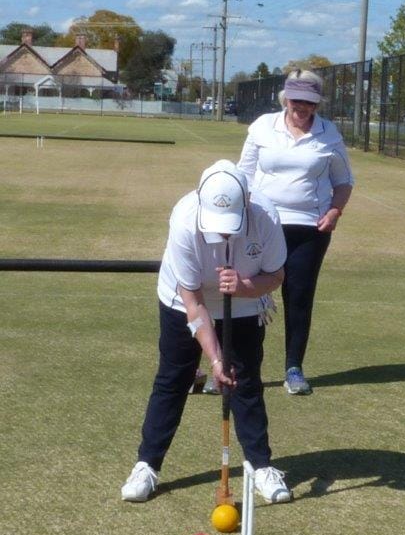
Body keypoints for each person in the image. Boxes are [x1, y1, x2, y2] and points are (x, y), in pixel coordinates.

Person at [121, 160, 291, 504]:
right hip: (184, 298)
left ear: (246, 203)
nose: (224, 234)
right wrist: (215, 359)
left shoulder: (266, 217)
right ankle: (147, 465)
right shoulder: (184, 221)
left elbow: (275, 276)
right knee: (173, 378)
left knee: (246, 381)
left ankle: (261, 466)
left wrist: (244, 287)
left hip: (244, 298)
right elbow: (194, 303)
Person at [237, 69, 354, 395]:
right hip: (261, 224)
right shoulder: (263, 126)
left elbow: (344, 182)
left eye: (310, 103)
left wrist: (334, 211)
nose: (303, 108)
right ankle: (241, 367)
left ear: (318, 104)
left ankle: (294, 368)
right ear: (285, 99)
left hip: (309, 229)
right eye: (297, 101)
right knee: (249, 293)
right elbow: (243, 174)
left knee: (299, 298)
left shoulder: (329, 133)